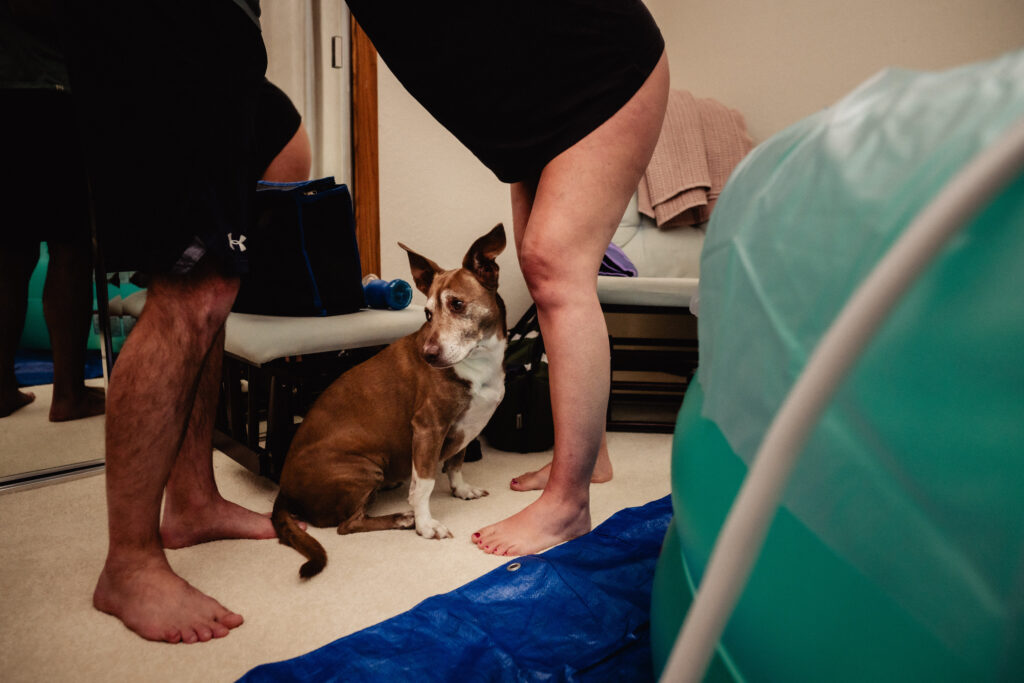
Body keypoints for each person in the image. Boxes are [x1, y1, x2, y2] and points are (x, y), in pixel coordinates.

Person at [345, 1, 669, 557]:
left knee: (554, 269)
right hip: (525, 117)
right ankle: (594, 459)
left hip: (597, 77)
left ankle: (569, 505)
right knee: (544, 275)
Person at [61, 0, 310, 643]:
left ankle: (194, 500)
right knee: (194, 286)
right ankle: (130, 562)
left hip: (225, 28)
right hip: (163, 22)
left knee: (219, 282)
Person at [0, 4, 105, 422]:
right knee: (71, 246)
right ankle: (69, 394)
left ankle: (3, 388)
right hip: (50, 93)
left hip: (9, 91)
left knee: (8, 249)